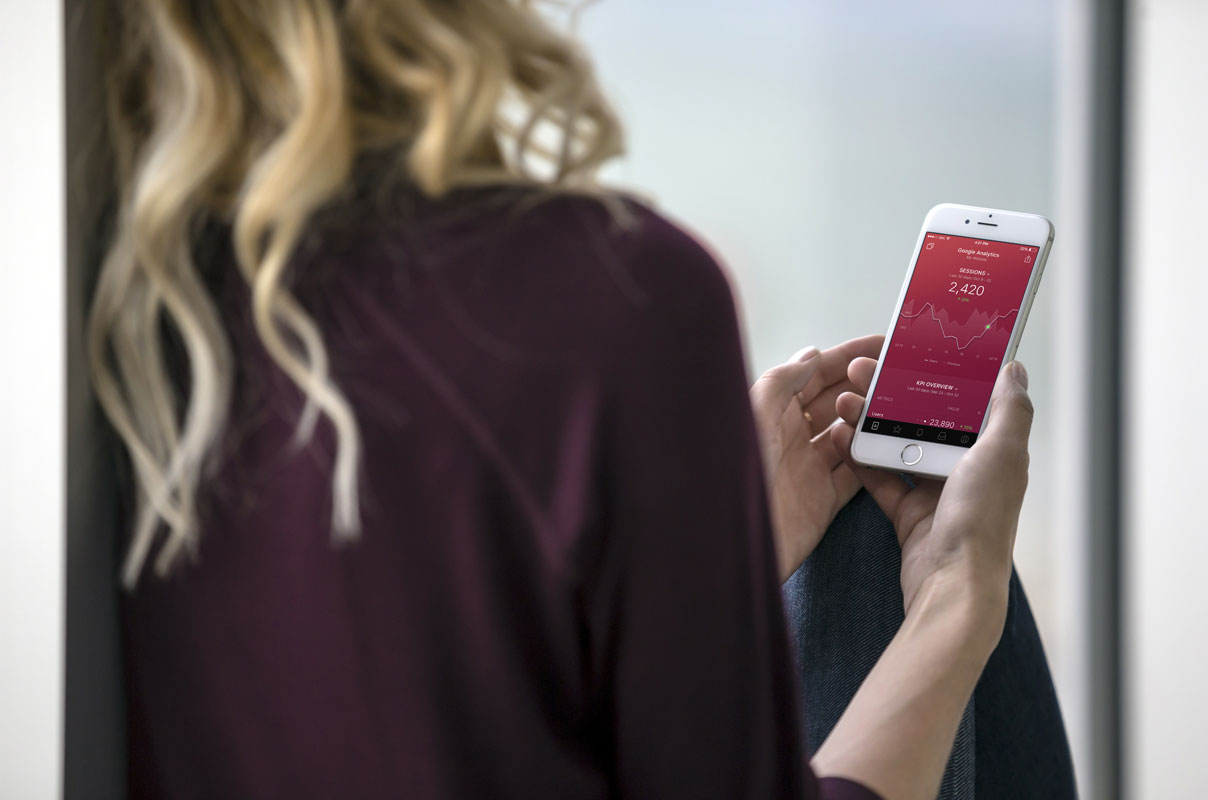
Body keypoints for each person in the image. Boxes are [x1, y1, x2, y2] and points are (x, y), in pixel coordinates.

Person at [90, 1, 1048, 798]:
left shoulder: (105, 320)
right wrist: (958, 597)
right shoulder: (617, 297)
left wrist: (698, 563)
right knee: (878, 546)